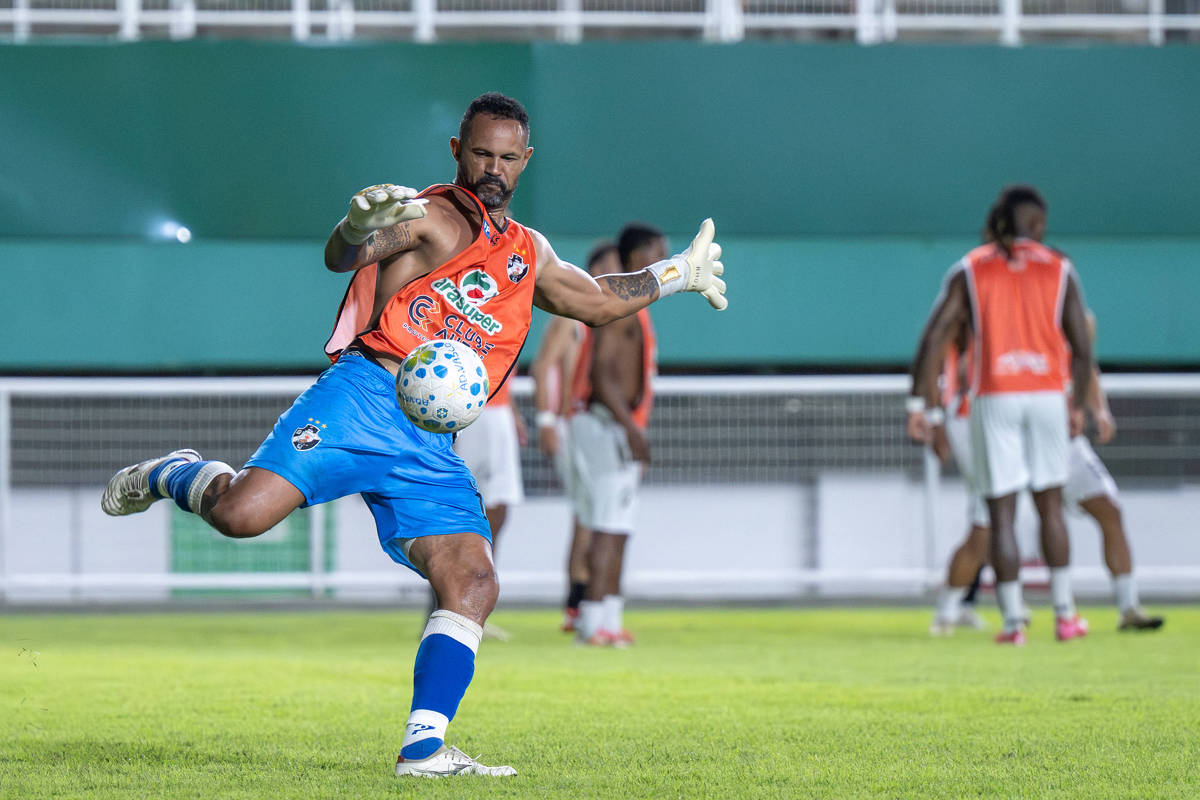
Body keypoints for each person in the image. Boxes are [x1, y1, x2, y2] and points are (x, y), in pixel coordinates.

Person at [100, 92, 727, 778]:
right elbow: (347, 255)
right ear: (457, 153)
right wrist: (353, 225)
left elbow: (598, 301)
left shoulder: (528, 251)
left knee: (474, 579)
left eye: (507, 157)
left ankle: (424, 746)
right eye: (480, 154)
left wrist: (677, 275)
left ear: (526, 160)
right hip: (364, 397)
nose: (493, 168)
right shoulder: (427, 215)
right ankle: (177, 470)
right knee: (240, 515)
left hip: (430, 439)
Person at [909, 184, 1093, 646]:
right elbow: (1083, 344)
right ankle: (1065, 615)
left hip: (995, 396)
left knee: (1000, 514)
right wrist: (1079, 403)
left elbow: (934, 339)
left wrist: (920, 406)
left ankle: (1013, 622)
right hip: (1049, 393)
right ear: (1038, 224)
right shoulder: (1060, 268)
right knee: (1050, 507)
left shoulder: (971, 269)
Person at [922, 318, 1164, 635]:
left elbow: (1083, 363)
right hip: (1010, 430)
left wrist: (1095, 409)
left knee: (1105, 508)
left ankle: (1124, 606)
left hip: (1058, 434)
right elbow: (964, 371)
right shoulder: (998, 317)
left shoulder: (1074, 318)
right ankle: (955, 610)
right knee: (990, 523)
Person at [566, 223, 664, 647]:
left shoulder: (633, 305)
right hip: (606, 424)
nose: (664, 259)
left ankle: (603, 619)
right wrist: (631, 428)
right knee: (608, 525)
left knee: (612, 523)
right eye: (659, 251)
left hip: (610, 423)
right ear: (639, 255)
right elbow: (601, 375)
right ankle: (596, 623)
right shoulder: (620, 302)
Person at [529, 242, 622, 633]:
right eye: (616, 266)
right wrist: (547, 419)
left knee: (589, 515)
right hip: (571, 425)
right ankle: (577, 604)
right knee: (589, 516)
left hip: (589, 426)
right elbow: (542, 365)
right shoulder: (570, 317)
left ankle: (579, 602)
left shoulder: (607, 318)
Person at [446, 364, 527, 642]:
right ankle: (453, 608)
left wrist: (512, 413)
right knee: (465, 512)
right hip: (472, 411)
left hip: (498, 411)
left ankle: (473, 605)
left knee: (497, 511)